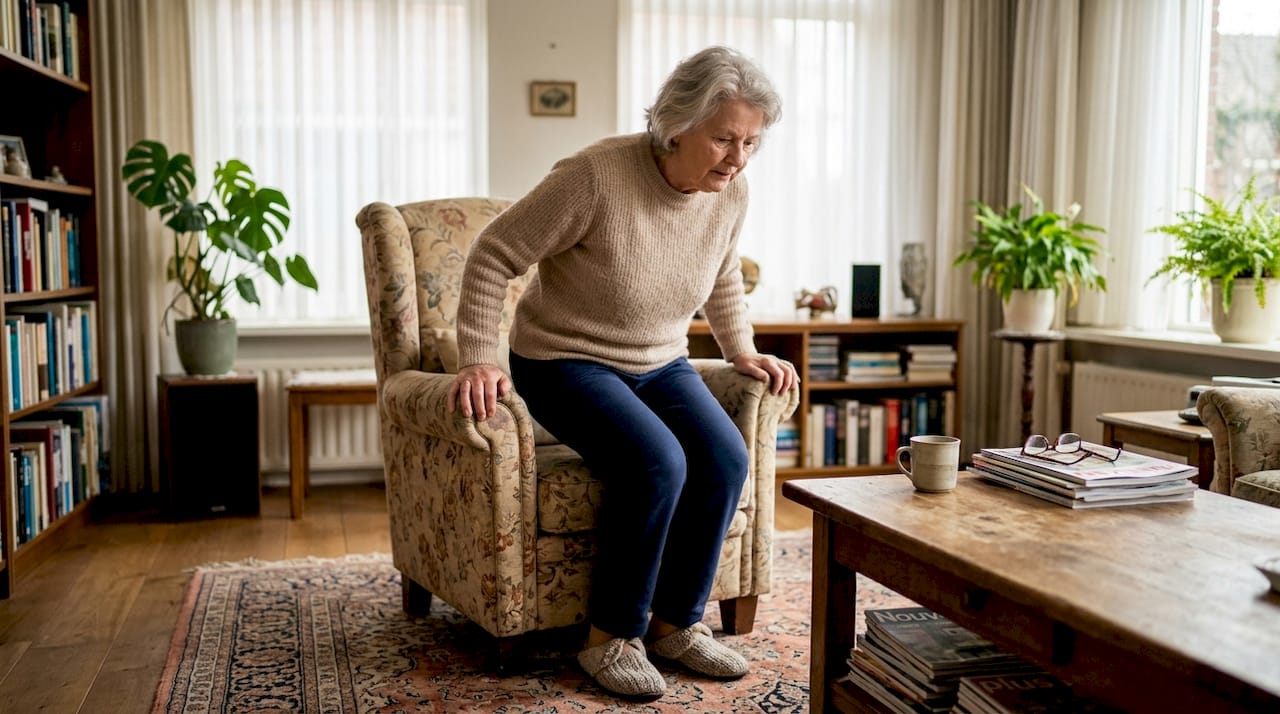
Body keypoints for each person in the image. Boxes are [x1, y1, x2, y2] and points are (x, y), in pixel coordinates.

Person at [446, 45, 798, 701]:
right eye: (724, 138)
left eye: (751, 142)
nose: (738, 158)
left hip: (660, 361)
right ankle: (609, 637)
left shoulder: (730, 193)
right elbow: (494, 253)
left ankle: (676, 625)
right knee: (657, 461)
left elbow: (722, 272)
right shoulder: (594, 176)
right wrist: (478, 357)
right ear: (676, 124)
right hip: (564, 359)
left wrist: (741, 350)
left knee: (725, 458)